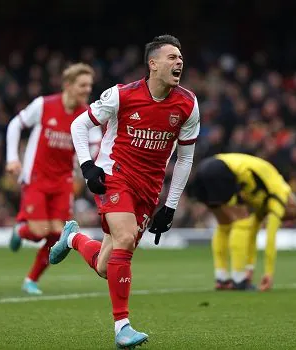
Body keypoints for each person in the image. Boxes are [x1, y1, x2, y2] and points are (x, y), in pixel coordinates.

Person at [49, 35, 200, 348]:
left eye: (180, 57)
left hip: (148, 188)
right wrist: (88, 166)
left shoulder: (188, 104)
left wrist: (170, 206)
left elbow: (185, 158)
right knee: (126, 237)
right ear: (153, 64)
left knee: (107, 266)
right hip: (114, 176)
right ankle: (122, 327)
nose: (179, 62)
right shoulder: (121, 95)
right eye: (171, 57)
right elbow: (79, 125)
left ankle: (73, 238)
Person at [5, 63, 101, 295]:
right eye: (82, 85)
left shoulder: (87, 114)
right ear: (67, 85)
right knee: (38, 231)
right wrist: (12, 158)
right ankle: (20, 232)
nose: (87, 90)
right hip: (36, 177)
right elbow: (15, 124)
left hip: (63, 182)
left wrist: (90, 168)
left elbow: (97, 143)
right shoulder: (44, 104)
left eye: (89, 85)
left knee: (59, 234)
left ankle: (31, 279)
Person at [191, 153, 296, 291]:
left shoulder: (265, 195)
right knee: (242, 221)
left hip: (204, 167)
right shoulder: (280, 196)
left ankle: (221, 278)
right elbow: (271, 238)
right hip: (221, 170)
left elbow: (253, 234)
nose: (287, 220)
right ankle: (239, 279)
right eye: (292, 216)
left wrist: (250, 267)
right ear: (293, 204)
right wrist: (269, 273)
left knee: (225, 224)